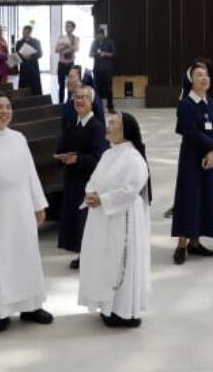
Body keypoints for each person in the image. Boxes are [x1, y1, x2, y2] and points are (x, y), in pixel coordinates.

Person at [0, 93, 54, 330]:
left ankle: (31, 306)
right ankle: (1, 312)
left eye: (8, 107)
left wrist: (38, 203)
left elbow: (30, 172)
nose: (4, 111)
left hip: (21, 207)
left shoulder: (18, 138)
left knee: (26, 256)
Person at [78, 110, 151, 328]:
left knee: (121, 263)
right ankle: (108, 305)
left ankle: (124, 310)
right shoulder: (109, 154)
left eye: (113, 123)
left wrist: (103, 199)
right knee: (105, 262)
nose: (107, 126)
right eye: (108, 122)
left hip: (124, 219)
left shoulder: (134, 158)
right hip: (103, 218)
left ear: (126, 130)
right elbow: (93, 179)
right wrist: (90, 193)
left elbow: (131, 190)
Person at [171, 63, 213, 264]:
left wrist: (212, 151)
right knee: (189, 197)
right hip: (191, 158)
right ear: (191, 80)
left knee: (204, 197)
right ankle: (182, 243)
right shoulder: (185, 104)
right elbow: (190, 132)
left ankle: (195, 241)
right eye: (199, 75)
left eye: (206, 75)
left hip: (209, 158)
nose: (204, 78)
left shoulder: (210, 103)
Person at [56, 85, 108, 268]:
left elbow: (101, 157)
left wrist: (78, 159)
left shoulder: (97, 127)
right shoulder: (72, 124)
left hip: (88, 181)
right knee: (75, 219)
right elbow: (62, 147)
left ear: (92, 102)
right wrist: (60, 157)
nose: (79, 100)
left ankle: (90, 256)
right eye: (76, 97)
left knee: (86, 219)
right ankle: (82, 253)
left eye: (84, 97)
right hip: (72, 179)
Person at [90, 26, 117, 111]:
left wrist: (105, 54)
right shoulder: (95, 42)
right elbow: (90, 54)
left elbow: (113, 54)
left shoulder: (109, 42)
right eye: (97, 35)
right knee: (96, 88)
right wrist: (96, 54)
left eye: (101, 34)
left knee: (108, 88)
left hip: (107, 69)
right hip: (97, 69)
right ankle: (97, 107)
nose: (99, 36)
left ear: (103, 34)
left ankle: (110, 106)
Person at [54, 21, 80, 104]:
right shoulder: (61, 37)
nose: (67, 28)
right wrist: (65, 46)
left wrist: (68, 46)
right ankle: (60, 104)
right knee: (61, 85)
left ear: (73, 28)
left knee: (71, 85)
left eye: (69, 26)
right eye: (66, 26)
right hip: (61, 64)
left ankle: (69, 103)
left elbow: (76, 48)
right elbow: (56, 50)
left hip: (70, 64)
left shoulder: (75, 38)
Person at [15, 25, 44, 96]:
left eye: (27, 32)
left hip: (33, 67)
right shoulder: (19, 42)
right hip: (24, 68)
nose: (25, 34)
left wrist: (31, 56)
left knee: (35, 86)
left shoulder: (36, 41)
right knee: (23, 86)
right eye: (24, 32)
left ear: (30, 32)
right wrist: (23, 56)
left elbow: (40, 53)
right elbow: (17, 55)